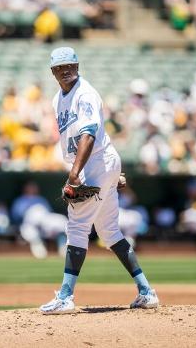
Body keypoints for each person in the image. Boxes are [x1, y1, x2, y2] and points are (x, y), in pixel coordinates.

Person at [39, 47, 159, 314]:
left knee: (77, 228)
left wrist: (76, 174)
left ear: (78, 65)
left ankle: (66, 297)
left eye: (71, 64)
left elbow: (90, 135)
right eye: (61, 67)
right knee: (109, 232)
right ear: (53, 72)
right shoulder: (57, 100)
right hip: (99, 164)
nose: (67, 70)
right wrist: (110, 174)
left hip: (95, 161)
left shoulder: (86, 94)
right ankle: (146, 292)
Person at [11, 181, 67, 259]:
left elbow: (48, 212)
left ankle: (63, 247)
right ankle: (39, 248)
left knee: (62, 221)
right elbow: (16, 215)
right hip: (29, 224)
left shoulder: (41, 199)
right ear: (25, 189)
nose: (32, 189)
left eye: (34, 187)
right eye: (30, 187)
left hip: (45, 221)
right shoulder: (20, 200)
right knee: (31, 230)